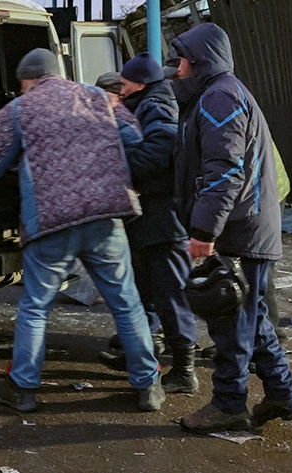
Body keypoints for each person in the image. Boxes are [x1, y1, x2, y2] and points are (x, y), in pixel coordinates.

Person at [0, 48, 163, 414]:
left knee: (36, 306)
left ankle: (22, 386)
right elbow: (134, 138)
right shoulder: (100, 97)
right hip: (105, 216)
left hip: (52, 222)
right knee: (126, 301)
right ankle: (148, 385)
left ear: (27, 80)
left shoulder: (20, 109)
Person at [168, 23, 292, 433]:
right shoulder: (219, 93)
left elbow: (224, 171)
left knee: (229, 320)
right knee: (251, 315)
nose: (178, 70)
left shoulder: (219, 97)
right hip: (246, 225)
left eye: (183, 61)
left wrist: (204, 233)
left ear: (201, 60)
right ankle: (281, 393)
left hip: (238, 230)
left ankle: (229, 404)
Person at [117, 52, 200, 394]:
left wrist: (119, 166)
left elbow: (159, 150)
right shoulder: (150, 101)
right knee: (149, 290)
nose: (119, 89)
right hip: (153, 218)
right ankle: (151, 351)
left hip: (164, 219)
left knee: (171, 293)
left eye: (123, 83)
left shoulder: (156, 104)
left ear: (138, 82)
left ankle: (185, 369)